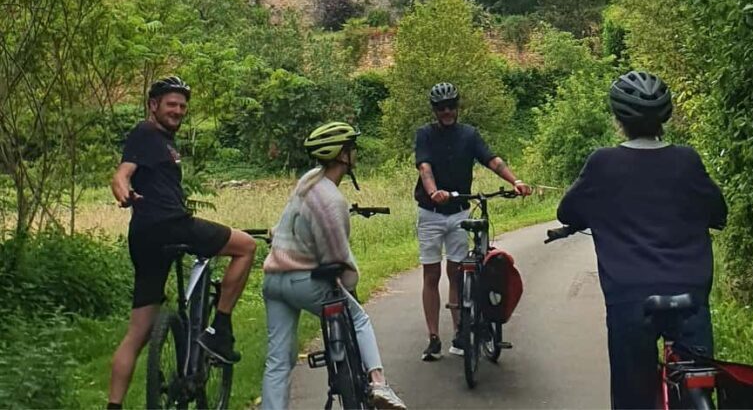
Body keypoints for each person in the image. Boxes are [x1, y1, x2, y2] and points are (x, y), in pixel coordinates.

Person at [556, 71, 728, 409]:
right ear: (665, 116)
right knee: (696, 383)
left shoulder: (602, 163)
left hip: (630, 298)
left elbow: (567, 212)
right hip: (689, 293)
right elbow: (717, 212)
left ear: (618, 118)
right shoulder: (687, 161)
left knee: (633, 395)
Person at [107, 76, 256, 410]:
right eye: (170, 104)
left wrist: (129, 192)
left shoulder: (165, 142)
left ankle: (113, 406)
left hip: (144, 237)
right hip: (172, 225)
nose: (177, 111)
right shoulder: (145, 134)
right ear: (153, 105)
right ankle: (220, 328)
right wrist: (122, 191)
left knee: (138, 332)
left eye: (182, 106)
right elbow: (121, 173)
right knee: (246, 246)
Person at [261, 122, 406, 410]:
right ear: (342, 155)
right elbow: (338, 260)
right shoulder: (331, 200)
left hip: (273, 280)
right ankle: (378, 383)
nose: (355, 153)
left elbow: (287, 223)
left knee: (278, 360)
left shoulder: (308, 180)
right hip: (304, 281)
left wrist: (277, 236)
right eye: (351, 147)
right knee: (359, 318)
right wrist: (351, 284)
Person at [415, 82, 532, 361]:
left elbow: (492, 160)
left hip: (459, 212)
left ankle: (460, 330)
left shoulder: (469, 134)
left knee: (457, 272)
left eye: (451, 106)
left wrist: (515, 180)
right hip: (430, 213)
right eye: (441, 107)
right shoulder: (425, 135)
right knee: (432, 274)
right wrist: (433, 193)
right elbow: (424, 166)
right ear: (435, 110)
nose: (447, 111)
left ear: (457, 106)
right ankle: (433, 337)